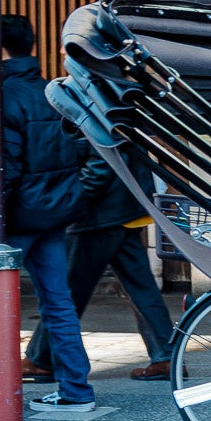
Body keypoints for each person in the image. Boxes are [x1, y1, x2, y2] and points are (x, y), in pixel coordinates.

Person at [0, 14, 96, 414]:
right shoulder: (53, 92)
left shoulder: (2, 96)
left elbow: (7, 166)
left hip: (18, 216)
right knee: (59, 302)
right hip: (55, 212)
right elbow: (81, 149)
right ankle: (76, 390)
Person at [22, 154, 175, 382]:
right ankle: (167, 356)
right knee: (141, 289)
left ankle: (41, 359)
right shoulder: (111, 117)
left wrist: (69, 202)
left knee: (67, 290)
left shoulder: (87, 117)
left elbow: (99, 166)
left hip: (97, 215)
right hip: (120, 208)